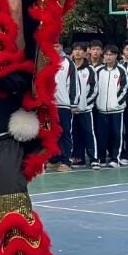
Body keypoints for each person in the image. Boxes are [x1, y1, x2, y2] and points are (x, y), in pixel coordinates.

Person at [93, 46, 127, 168]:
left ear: (116, 56)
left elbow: (124, 88)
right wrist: (97, 103)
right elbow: (94, 88)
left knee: (116, 135)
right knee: (101, 135)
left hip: (116, 110)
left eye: (111, 54)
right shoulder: (98, 71)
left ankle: (115, 158)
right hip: (101, 109)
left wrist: (117, 102)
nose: (108, 57)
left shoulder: (121, 70)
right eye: (106, 54)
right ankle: (101, 158)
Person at [48, 42, 79, 172]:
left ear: (61, 47)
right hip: (48, 104)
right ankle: (54, 160)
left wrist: (73, 103)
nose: (54, 48)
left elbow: (74, 84)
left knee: (65, 132)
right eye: (52, 45)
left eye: (57, 46)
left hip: (64, 105)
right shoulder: (44, 61)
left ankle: (66, 161)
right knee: (51, 134)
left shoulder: (68, 63)